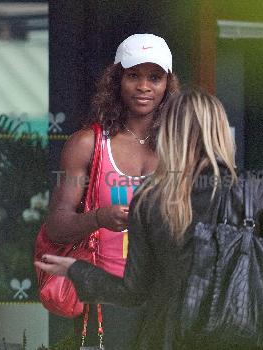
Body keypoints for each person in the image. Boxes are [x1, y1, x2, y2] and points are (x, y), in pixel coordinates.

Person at [36, 90, 263, 349]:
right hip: (241, 334)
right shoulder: (252, 189)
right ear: (221, 130)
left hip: (168, 336)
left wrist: (75, 271)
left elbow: (134, 292)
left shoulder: (149, 199)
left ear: (171, 133)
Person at [45, 33, 180, 349]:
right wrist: (98, 218)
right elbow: (56, 226)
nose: (144, 86)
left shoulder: (183, 147)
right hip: (106, 299)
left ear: (167, 85)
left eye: (155, 77)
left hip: (169, 298)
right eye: (133, 75)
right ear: (117, 80)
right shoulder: (88, 144)